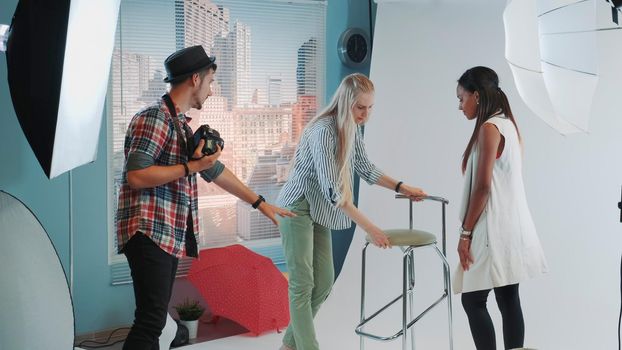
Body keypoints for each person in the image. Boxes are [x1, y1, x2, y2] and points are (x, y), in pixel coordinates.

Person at [116, 45, 294, 350]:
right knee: (150, 321)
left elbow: (215, 171)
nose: (211, 92)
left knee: (156, 321)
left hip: (165, 234)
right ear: (195, 79)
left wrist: (260, 203)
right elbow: (137, 175)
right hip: (148, 231)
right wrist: (190, 166)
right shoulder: (155, 118)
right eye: (210, 83)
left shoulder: (180, 125)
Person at [276, 73, 427, 350]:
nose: (365, 114)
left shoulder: (351, 128)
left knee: (323, 283)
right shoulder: (323, 131)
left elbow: (365, 168)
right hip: (296, 207)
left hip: (318, 208)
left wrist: (402, 187)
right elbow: (336, 194)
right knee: (302, 283)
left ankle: (288, 346)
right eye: (360, 108)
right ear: (346, 103)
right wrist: (373, 229)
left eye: (370, 108)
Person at [453, 66, 548, 350]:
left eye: (461, 98)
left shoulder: (489, 128)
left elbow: (482, 187)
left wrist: (465, 233)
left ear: (477, 96)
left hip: (492, 230)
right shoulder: (509, 124)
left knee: (473, 299)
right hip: (512, 227)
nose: (459, 106)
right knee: (508, 298)